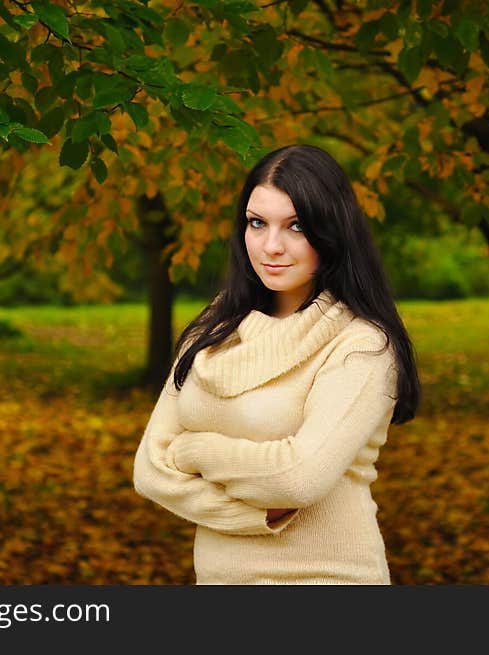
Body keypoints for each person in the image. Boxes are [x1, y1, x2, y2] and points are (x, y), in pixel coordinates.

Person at [132, 144, 420, 584]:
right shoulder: (213, 330)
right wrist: (259, 514)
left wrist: (192, 451)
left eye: (296, 226)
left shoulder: (361, 345)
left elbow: (298, 478)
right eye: (257, 223)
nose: (271, 246)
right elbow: (150, 473)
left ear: (331, 231)